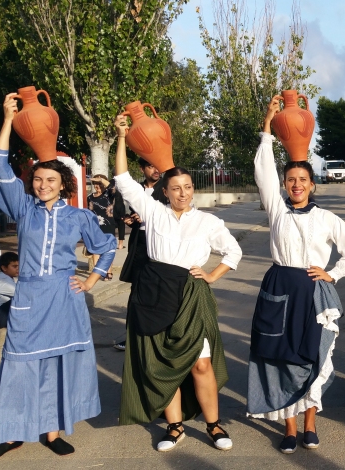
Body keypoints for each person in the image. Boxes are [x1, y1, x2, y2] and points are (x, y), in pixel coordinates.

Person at [0, 94, 116, 462]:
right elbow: (1, 166)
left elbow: (108, 245)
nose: (42, 185)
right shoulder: (23, 209)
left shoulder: (79, 217)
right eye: (38, 179)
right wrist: (8, 120)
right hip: (28, 297)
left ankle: (53, 432)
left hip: (64, 298)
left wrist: (90, 281)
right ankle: (10, 435)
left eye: (50, 180)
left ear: (63, 184)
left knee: (57, 364)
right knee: (19, 365)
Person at [113, 114, 242, 452]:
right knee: (161, 364)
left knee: (201, 362)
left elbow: (233, 251)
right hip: (154, 291)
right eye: (175, 188)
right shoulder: (153, 212)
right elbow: (122, 179)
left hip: (189, 294)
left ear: (192, 189)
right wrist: (121, 137)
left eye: (187, 187)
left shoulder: (207, 220)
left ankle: (214, 426)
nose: (182, 193)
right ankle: (174, 427)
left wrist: (212, 275)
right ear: (165, 191)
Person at [247, 99, 345, 454]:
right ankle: (290, 427)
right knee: (281, 357)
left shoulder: (327, 218)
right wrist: (267, 127)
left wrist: (331, 273)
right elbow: (262, 171)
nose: (296, 185)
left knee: (315, 357)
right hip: (280, 289)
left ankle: (311, 423)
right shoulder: (276, 210)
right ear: (284, 184)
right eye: (290, 180)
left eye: (302, 180)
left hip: (314, 293)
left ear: (313, 185)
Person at [114, 157, 165, 351]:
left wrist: (147, 215)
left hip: (159, 244)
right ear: (142, 168)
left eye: (157, 166)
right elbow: (120, 209)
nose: (156, 170)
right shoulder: (135, 190)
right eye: (151, 166)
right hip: (139, 244)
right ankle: (132, 338)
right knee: (136, 293)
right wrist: (129, 219)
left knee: (159, 291)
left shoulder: (167, 188)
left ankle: (157, 338)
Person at [86, 174, 117, 276]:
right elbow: (89, 213)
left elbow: (113, 187)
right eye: (95, 183)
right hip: (95, 227)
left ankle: (109, 272)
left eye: (100, 183)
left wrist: (101, 180)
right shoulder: (90, 197)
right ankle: (98, 273)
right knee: (96, 249)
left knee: (108, 249)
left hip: (108, 225)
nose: (97, 185)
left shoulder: (108, 194)